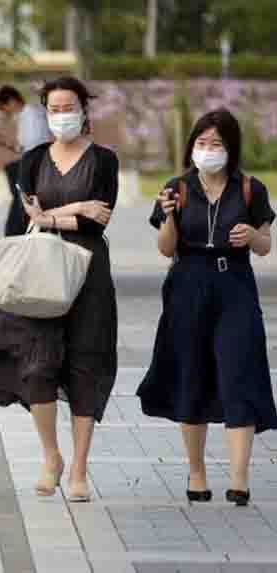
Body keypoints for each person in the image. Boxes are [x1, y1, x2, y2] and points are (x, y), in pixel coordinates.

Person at [0, 77, 119, 503]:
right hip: (40, 268)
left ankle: (78, 469)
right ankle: (51, 456)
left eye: (69, 107)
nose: (62, 116)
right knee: (37, 365)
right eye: (54, 109)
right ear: (44, 112)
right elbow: (28, 216)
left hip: (87, 271)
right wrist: (71, 210)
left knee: (85, 364)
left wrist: (58, 214)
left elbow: (99, 219)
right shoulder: (33, 159)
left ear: (83, 110)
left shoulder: (104, 160)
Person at [138, 109, 276, 507]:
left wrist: (252, 234)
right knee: (191, 373)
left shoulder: (250, 189)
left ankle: (239, 478)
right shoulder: (176, 188)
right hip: (187, 283)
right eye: (201, 143)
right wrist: (167, 217)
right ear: (191, 147)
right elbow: (166, 248)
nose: (208, 150)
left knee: (240, 372)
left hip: (234, 284)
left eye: (216, 143)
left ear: (230, 148)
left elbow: (265, 245)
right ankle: (196, 473)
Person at [0, 85, 53, 236]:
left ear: (11, 101)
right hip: (31, 165)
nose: (4, 112)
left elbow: (34, 146)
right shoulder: (25, 117)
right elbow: (25, 147)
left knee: (21, 213)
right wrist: (5, 143)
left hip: (33, 167)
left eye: (3, 107)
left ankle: (13, 237)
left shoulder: (30, 115)